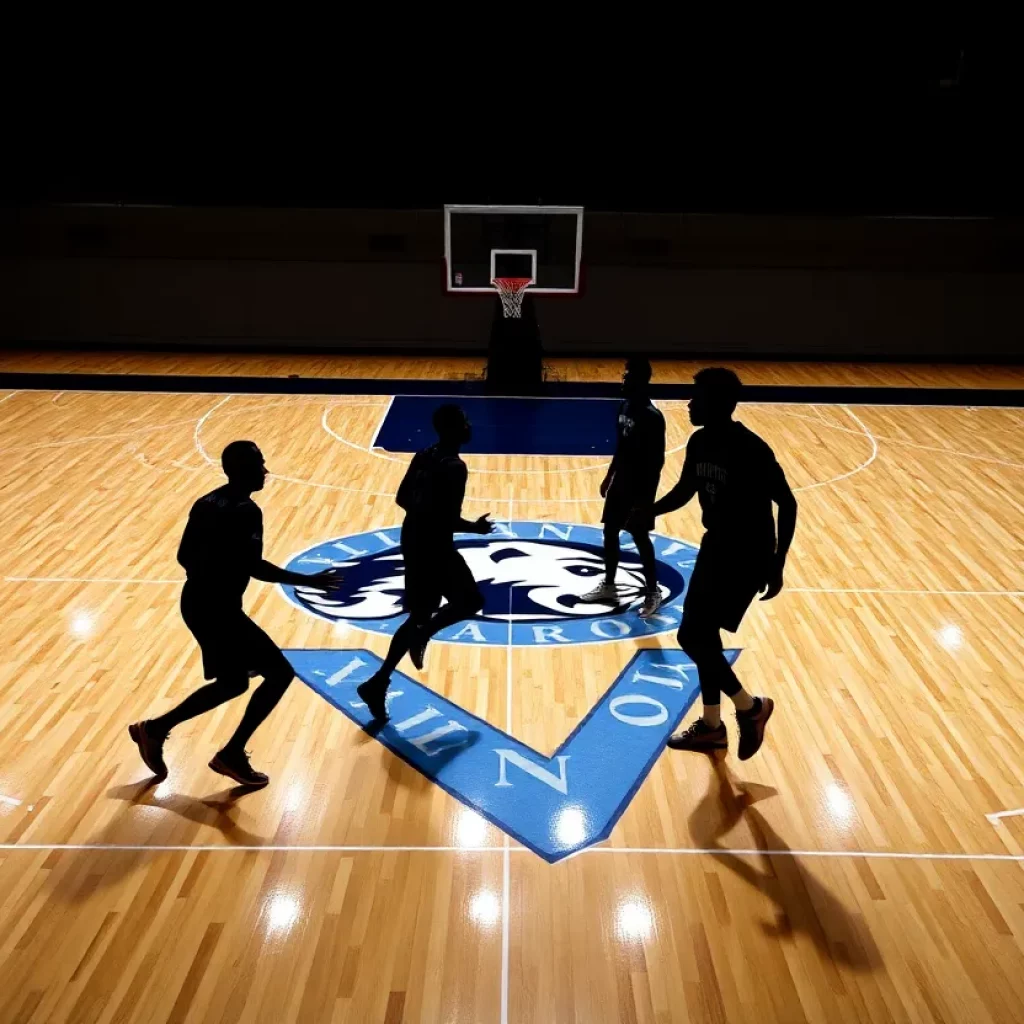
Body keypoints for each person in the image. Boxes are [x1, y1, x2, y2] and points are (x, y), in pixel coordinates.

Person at [128, 441, 345, 788]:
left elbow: (183, 556)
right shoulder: (246, 511)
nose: (266, 471)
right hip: (218, 609)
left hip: (197, 602)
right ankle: (230, 753)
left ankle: (154, 729)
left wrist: (210, 573)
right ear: (242, 470)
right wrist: (308, 580)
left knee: (233, 683)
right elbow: (255, 567)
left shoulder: (205, 502)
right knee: (279, 674)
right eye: (259, 464)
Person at [651, 368, 797, 760]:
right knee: (704, 636)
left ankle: (751, 708)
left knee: (691, 637)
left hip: (748, 554)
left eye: (696, 397)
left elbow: (788, 502)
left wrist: (777, 562)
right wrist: (648, 511)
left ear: (717, 403)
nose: (689, 403)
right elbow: (685, 490)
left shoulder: (751, 449)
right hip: (716, 546)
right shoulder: (699, 442)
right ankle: (712, 726)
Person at [356, 404, 493, 721]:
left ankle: (377, 683)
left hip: (412, 539)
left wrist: (423, 512)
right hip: (434, 545)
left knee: (419, 613)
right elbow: (446, 518)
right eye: (464, 420)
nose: (469, 424)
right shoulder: (455, 466)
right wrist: (475, 527)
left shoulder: (424, 454)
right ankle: (424, 634)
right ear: (455, 429)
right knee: (470, 600)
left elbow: (402, 498)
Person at [581, 357, 666, 618]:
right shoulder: (624, 407)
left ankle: (653, 591)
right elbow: (622, 445)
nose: (624, 381)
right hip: (622, 482)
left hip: (640, 488)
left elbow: (657, 461)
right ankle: (609, 585)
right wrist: (609, 476)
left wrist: (646, 501)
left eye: (628, 377)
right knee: (609, 532)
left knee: (640, 537)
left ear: (641, 381)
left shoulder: (652, 417)